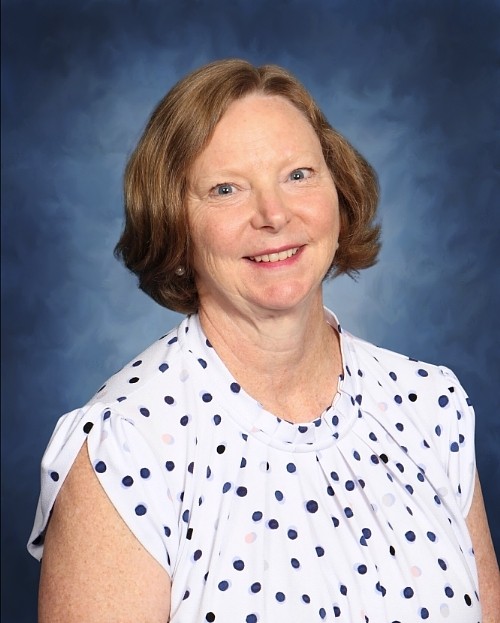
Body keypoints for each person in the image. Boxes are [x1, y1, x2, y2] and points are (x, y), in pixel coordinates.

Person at [28, 59, 499, 623]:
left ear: (338, 191)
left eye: (298, 175)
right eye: (226, 189)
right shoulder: (125, 448)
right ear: (174, 225)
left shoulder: (431, 406)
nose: (274, 215)